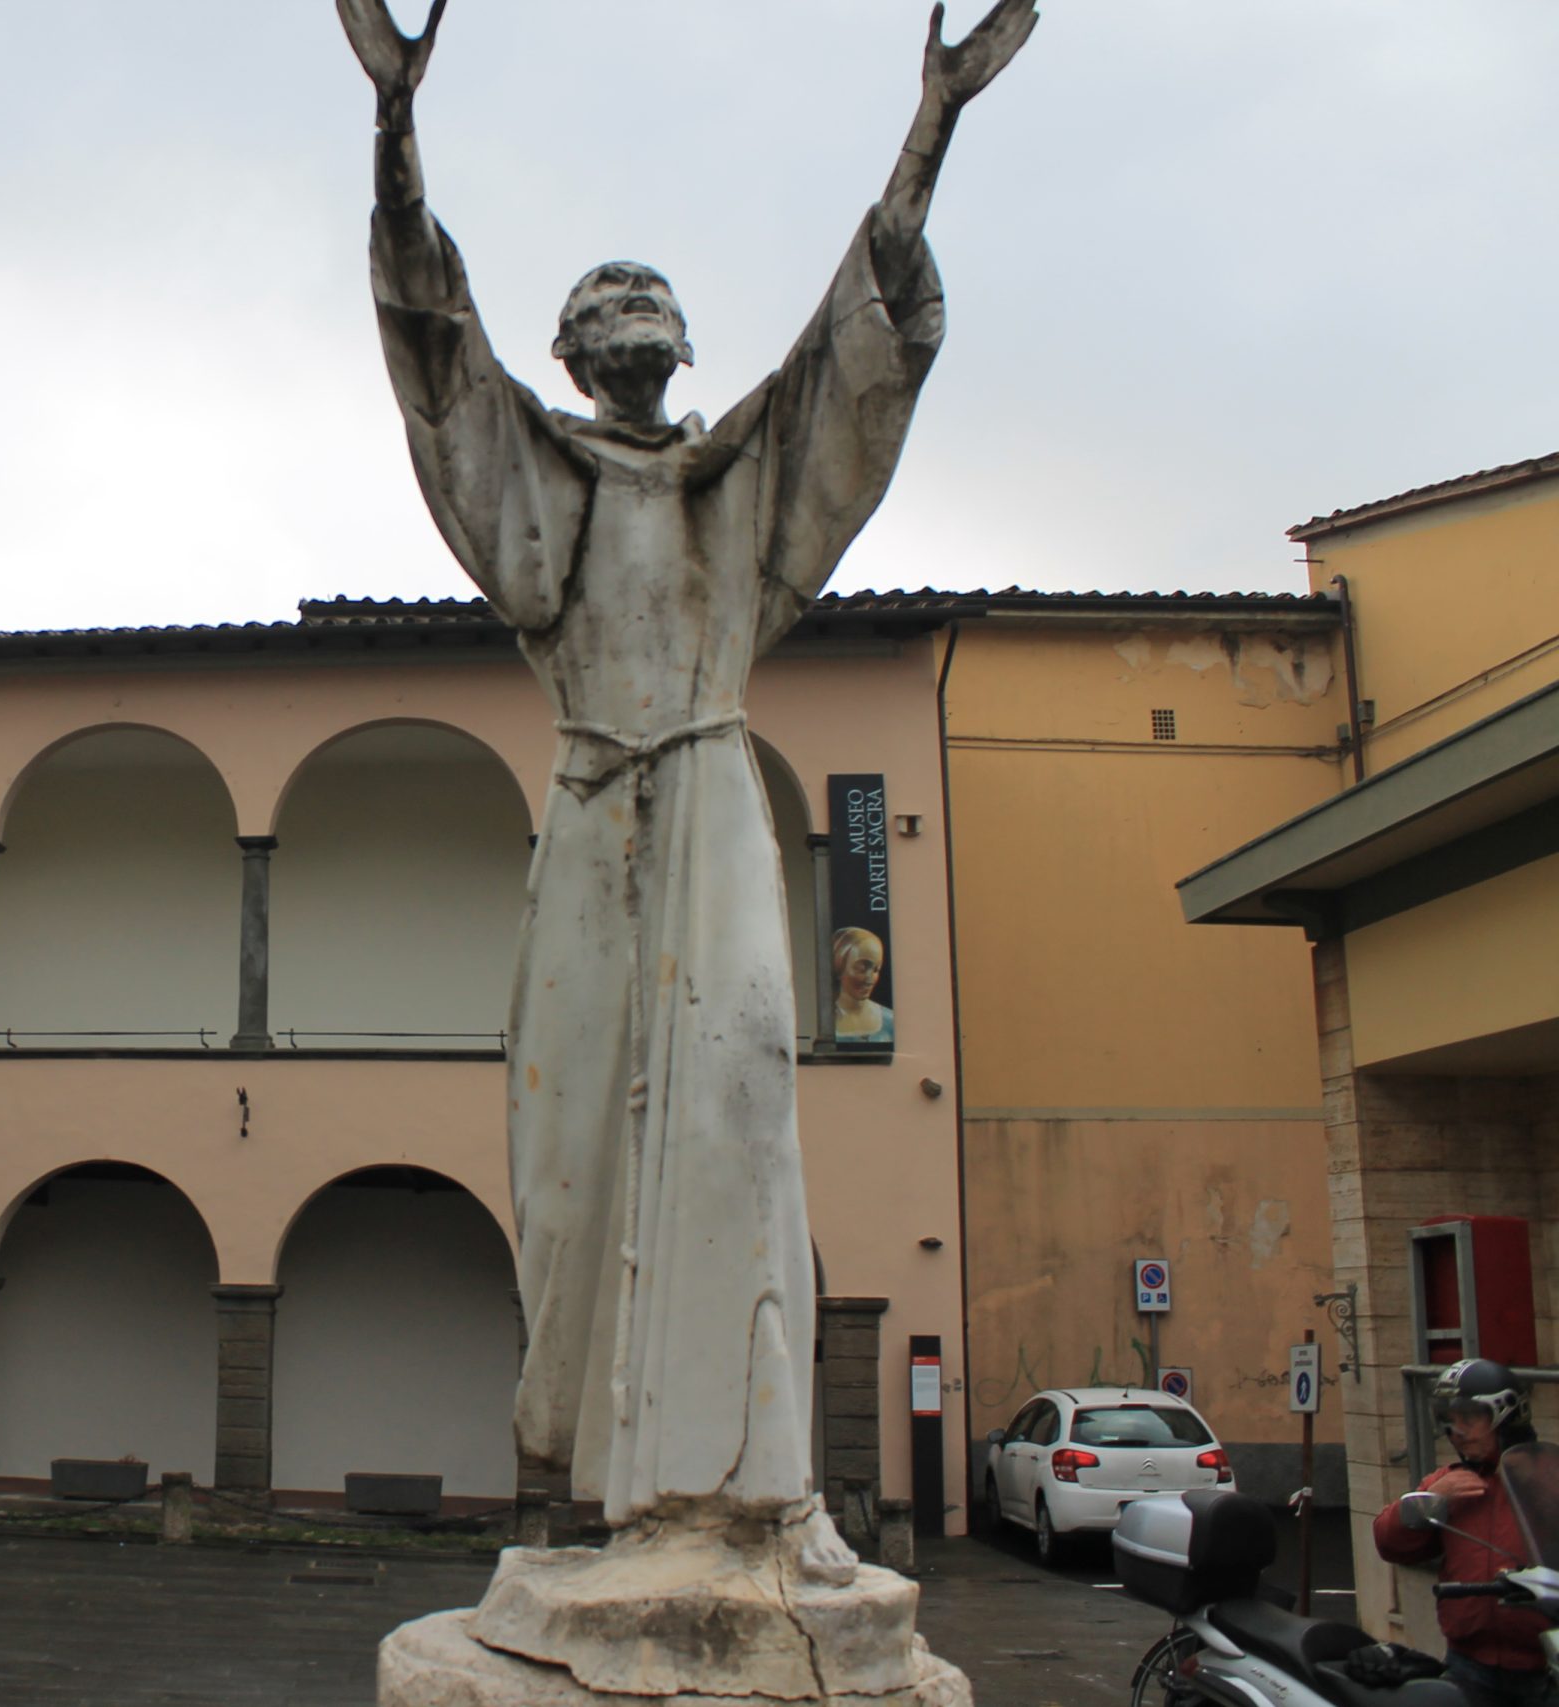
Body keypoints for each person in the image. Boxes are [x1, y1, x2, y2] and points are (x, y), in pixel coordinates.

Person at [336, 0, 1033, 1531]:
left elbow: (859, 362)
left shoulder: (743, 486)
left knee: (732, 1117)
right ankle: (596, 1469)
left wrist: (933, 127)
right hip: (591, 815)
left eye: (654, 292)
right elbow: (438, 363)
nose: (633, 306)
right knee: (569, 1145)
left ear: (681, 342)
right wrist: (395, 130)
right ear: (578, 350)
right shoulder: (538, 474)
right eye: (605, 297)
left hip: (715, 806)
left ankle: (741, 1474)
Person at [1373, 1359, 1551, 1707]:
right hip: (1469, 1664)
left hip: (1545, 1664)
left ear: (1506, 1414)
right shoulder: (1449, 1483)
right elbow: (1390, 1543)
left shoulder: (1548, 1480)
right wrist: (1432, 1501)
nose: (1458, 1431)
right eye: (1450, 1420)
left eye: (1469, 1417)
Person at [832, 927, 893, 1044]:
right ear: (839, 964)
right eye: (862, 968)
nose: (870, 979)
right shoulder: (821, 1021)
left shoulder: (890, 1020)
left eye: (876, 970)